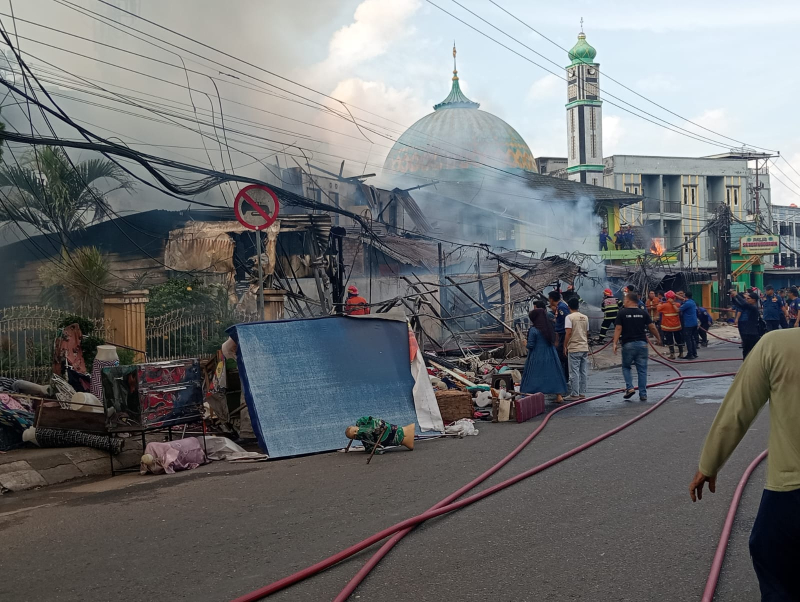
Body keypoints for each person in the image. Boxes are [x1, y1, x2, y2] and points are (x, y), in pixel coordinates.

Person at [689, 328, 800, 601]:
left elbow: (737, 410)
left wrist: (709, 464)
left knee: (772, 555)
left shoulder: (776, 344)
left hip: (791, 491)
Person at [613, 292, 661, 401]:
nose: (624, 302)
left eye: (625, 300)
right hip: (642, 344)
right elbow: (652, 327)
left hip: (628, 344)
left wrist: (615, 343)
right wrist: (658, 337)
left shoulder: (622, 313)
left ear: (629, 301)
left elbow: (618, 328)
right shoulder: (642, 312)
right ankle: (643, 394)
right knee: (642, 369)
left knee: (626, 367)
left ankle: (630, 388)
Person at [520, 307, 567, 404]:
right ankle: (559, 396)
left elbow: (531, 345)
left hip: (537, 355)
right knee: (553, 374)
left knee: (534, 374)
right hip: (551, 354)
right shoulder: (549, 328)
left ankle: (530, 395)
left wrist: (525, 343)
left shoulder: (534, 330)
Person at [563, 297, 590, 401]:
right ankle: (582, 393)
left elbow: (568, 333)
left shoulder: (569, 317)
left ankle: (575, 394)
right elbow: (586, 333)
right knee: (583, 371)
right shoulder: (585, 317)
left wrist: (565, 346)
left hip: (574, 348)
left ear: (569, 307)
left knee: (574, 372)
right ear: (578, 306)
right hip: (584, 347)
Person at [730, 289, 762, 358]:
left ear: (754, 300)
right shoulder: (748, 307)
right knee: (745, 351)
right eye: (746, 298)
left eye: (748, 298)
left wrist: (737, 295)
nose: (746, 300)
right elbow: (738, 304)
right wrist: (733, 297)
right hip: (746, 333)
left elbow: (744, 304)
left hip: (753, 334)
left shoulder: (753, 308)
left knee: (753, 352)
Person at [548, 290, 570, 383]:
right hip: (561, 334)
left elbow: (566, 321)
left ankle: (565, 378)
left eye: (549, 299)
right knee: (561, 355)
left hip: (563, 334)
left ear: (552, 299)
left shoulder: (562, 307)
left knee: (562, 356)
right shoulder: (559, 307)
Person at [658, 291, 684, 359]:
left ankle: (672, 354)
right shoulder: (677, 305)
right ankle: (681, 353)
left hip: (667, 326)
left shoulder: (664, 305)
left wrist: (661, 302)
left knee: (670, 340)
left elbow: (658, 308)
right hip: (677, 326)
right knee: (678, 339)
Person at [679, 290, 699, 359]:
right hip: (694, 323)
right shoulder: (692, 302)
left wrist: (672, 304)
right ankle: (694, 353)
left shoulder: (687, 304)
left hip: (688, 324)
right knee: (692, 338)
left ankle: (690, 354)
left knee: (688, 339)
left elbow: (678, 310)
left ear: (685, 296)